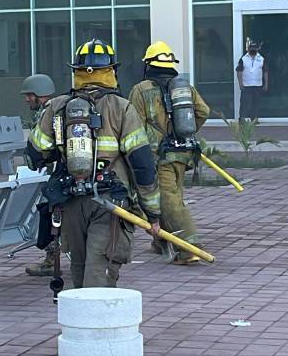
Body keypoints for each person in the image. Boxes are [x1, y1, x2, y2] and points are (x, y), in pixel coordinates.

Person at [25, 39, 161, 288]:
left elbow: (35, 154)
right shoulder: (122, 108)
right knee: (100, 273)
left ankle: (79, 311)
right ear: (111, 71)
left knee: (78, 267)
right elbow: (142, 165)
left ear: (76, 72)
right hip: (110, 203)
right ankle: (97, 313)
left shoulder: (57, 106)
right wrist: (153, 214)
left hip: (70, 201)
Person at [129, 41, 210, 265]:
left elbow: (134, 124)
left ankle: (190, 248)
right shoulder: (184, 87)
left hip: (159, 155)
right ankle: (161, 241)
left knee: (168, 201)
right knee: (172, 196)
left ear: (148, 64)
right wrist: (184, 132)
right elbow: (203, 111)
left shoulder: (141, 90)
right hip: (183, 153)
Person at [19, 74, 60, 277]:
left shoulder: (49, 112)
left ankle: (51, 260)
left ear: (40, 94)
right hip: (62, 171)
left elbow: (41, 146)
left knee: (49, 212)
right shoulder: (55, 109)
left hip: (59, 173)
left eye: (29, 95)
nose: (27, 100)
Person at [236, 39, 268, 122]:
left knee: (256, 103)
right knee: (245, 103)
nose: (253, 50)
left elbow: (265, 71)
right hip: (246, 85)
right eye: (251, 48)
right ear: (249, 49)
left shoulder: (261, 58)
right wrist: (240, 84)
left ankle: (254, 120)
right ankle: (242, 119)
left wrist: (266, 84)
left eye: (254, 48)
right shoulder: (243, 59)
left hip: (258, 85)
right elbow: (239, 71)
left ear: (257, 49)